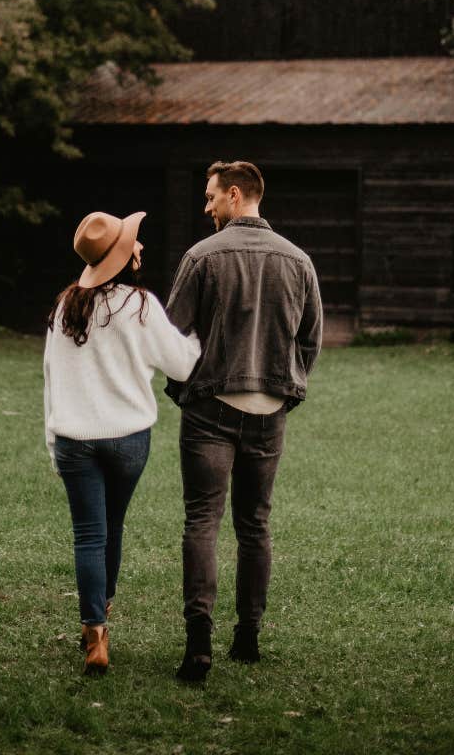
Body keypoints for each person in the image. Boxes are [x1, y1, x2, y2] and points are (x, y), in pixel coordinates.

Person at [164, 160, 323, 682]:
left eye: (210, 197)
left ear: (235, 195)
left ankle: (198, 644)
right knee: (254, 525)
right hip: (268, 413)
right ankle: (248, 637)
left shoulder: (201, 257)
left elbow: (171, 338)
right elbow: (311, 340)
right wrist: (284, 388)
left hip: (210, 409)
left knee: (201, 522)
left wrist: (184, 389)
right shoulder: (299, 261)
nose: (205, 206)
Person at [44, 209, 200, 675]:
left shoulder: (64, 307)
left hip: (73, 438)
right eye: (134, 242)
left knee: (88, 535)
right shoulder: (141, 306)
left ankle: (96, 633)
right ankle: (102, 610)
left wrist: (52, 443)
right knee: (111, 529)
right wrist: (200, 335)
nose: (140, 247)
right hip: (128, 439)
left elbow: (50, 380)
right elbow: (184, 365)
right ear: (120, 255)